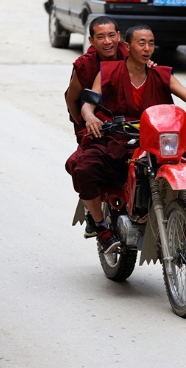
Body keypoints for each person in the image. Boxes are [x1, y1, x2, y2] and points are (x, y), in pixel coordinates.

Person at [74, 24, 186, 254]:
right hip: (119, 136)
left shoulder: (160, 73)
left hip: (158, 137)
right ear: (126, 46)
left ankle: (179, 219)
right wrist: (91, 117)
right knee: (85, 169)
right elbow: (88, 105)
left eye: (151, 43)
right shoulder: (109, 72)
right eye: (141, 42)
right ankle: (101, 227)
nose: (147, 48)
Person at [64, 16, 153, 240]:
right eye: (101, 37)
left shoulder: (131, 55)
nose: (107, 42)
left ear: (120, 37)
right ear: (91, 41)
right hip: (96, 123)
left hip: (129, 124)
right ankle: (97, 220)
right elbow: (72, 99)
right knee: (87, 166)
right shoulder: (85, 65)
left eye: (112, 35)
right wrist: (85, 124)